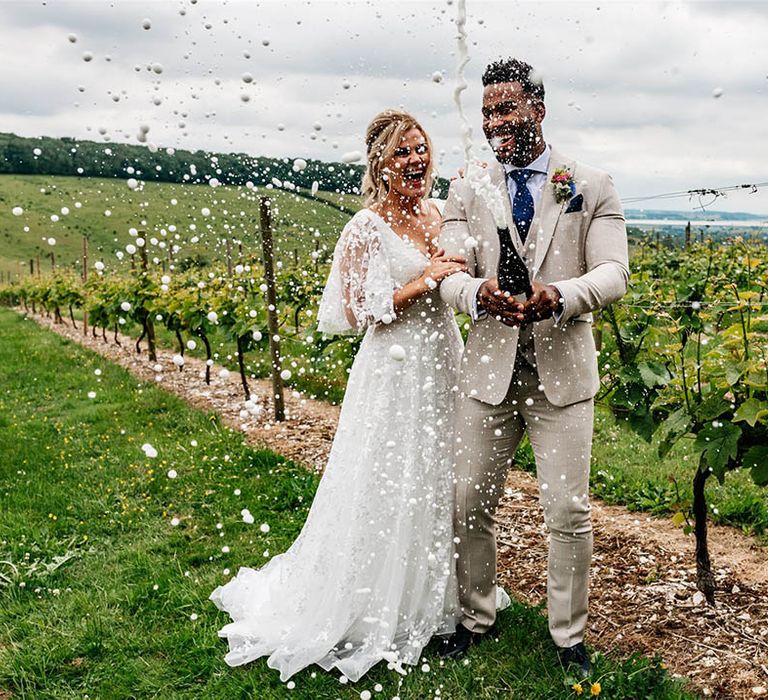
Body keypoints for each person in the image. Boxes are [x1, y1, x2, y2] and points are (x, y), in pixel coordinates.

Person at [210, 110, 473, 682]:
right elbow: (358, 311)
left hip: (443, 359)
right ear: (379, 163)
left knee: (440, 473)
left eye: (420, 149)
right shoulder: (365, 227)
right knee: (388, 476)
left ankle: (441, 597)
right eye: (401, 153)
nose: (415, 162)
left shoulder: (438, 212)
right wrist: (425, 278)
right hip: (395, 368)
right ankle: (378, 601)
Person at [437, 58, 629, 678]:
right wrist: (474, 293)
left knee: (568, 512)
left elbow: (613, 272)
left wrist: (563, 295)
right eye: (487, 111)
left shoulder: (590, 185)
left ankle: (568, 636)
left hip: (563, 378)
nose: (495, 122)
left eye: (507, 109)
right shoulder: (467, 185)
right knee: (468, 502)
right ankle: (476, 617)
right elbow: (447, 271)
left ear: (537, 111)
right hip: (488, 370)